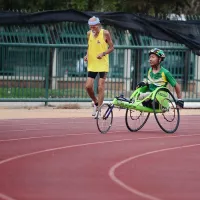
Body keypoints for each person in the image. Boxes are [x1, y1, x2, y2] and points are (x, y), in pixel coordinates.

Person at [84, 16, 114, 117]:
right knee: (88, 86)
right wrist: (87, 55)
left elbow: (112, 47)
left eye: (94, 27)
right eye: (90, 27)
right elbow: (89, 46)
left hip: (103, 64)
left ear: (98, 25)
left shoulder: (105, 33)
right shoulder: (89, 34)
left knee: (100, 86)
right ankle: (96, 102)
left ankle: (99, 110)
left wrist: (103, 53)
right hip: (92, 64)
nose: (92, 29)